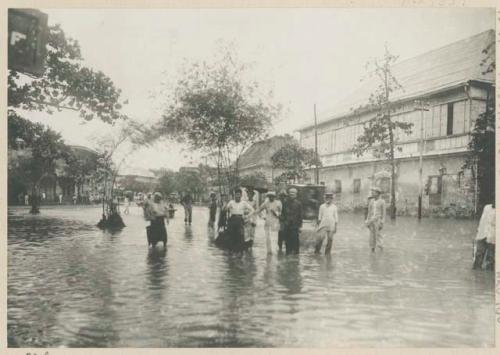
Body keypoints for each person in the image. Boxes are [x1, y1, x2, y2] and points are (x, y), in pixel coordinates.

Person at [223, 188, 254, 252]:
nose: (237, 196)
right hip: (232, 219)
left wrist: (247, 216)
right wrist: (225, 205)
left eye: (238, 195)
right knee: (230, 236)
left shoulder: (244, 203)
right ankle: (230, 252)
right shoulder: (231, 202)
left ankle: (239, 252)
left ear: (241, 195)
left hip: (240, 220)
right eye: (236, 195)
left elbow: (252, 210)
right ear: (234, 195)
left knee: (240, 236)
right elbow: (225, 209)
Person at [473, 202, 495, 270]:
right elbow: (482, 221)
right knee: (478, 256)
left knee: (491, 258)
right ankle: (478, 276)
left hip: (493, 237)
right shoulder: (487, 207)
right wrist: (478, 232)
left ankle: (487, 275)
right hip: (482, 235)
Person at [282, 187, 303, 255]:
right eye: (290, 193)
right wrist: (283, 222)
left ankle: (296, 254)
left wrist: (300, 226)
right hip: (287, 224)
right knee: (287, 240)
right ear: (288, 194)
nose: (292, 194)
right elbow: (283, 213)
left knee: (295, 239)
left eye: (293, 193)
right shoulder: (285, 203)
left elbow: (300, 215)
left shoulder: (299, 203)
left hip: (295, 225)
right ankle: (288, 253)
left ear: (296, 194)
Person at [365, 186, 386, 252]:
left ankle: (381, 247)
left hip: (378, 220)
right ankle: (372, 248)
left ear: (377, 193)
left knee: (378, 234)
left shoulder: (382, 201)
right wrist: (367, 221)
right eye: (372, 192)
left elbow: (383, 213)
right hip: (371, 220)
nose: (372, 193)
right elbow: (369, 212)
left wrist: (382, 222)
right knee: (371, 235)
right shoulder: (371, 201)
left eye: (373, 192)